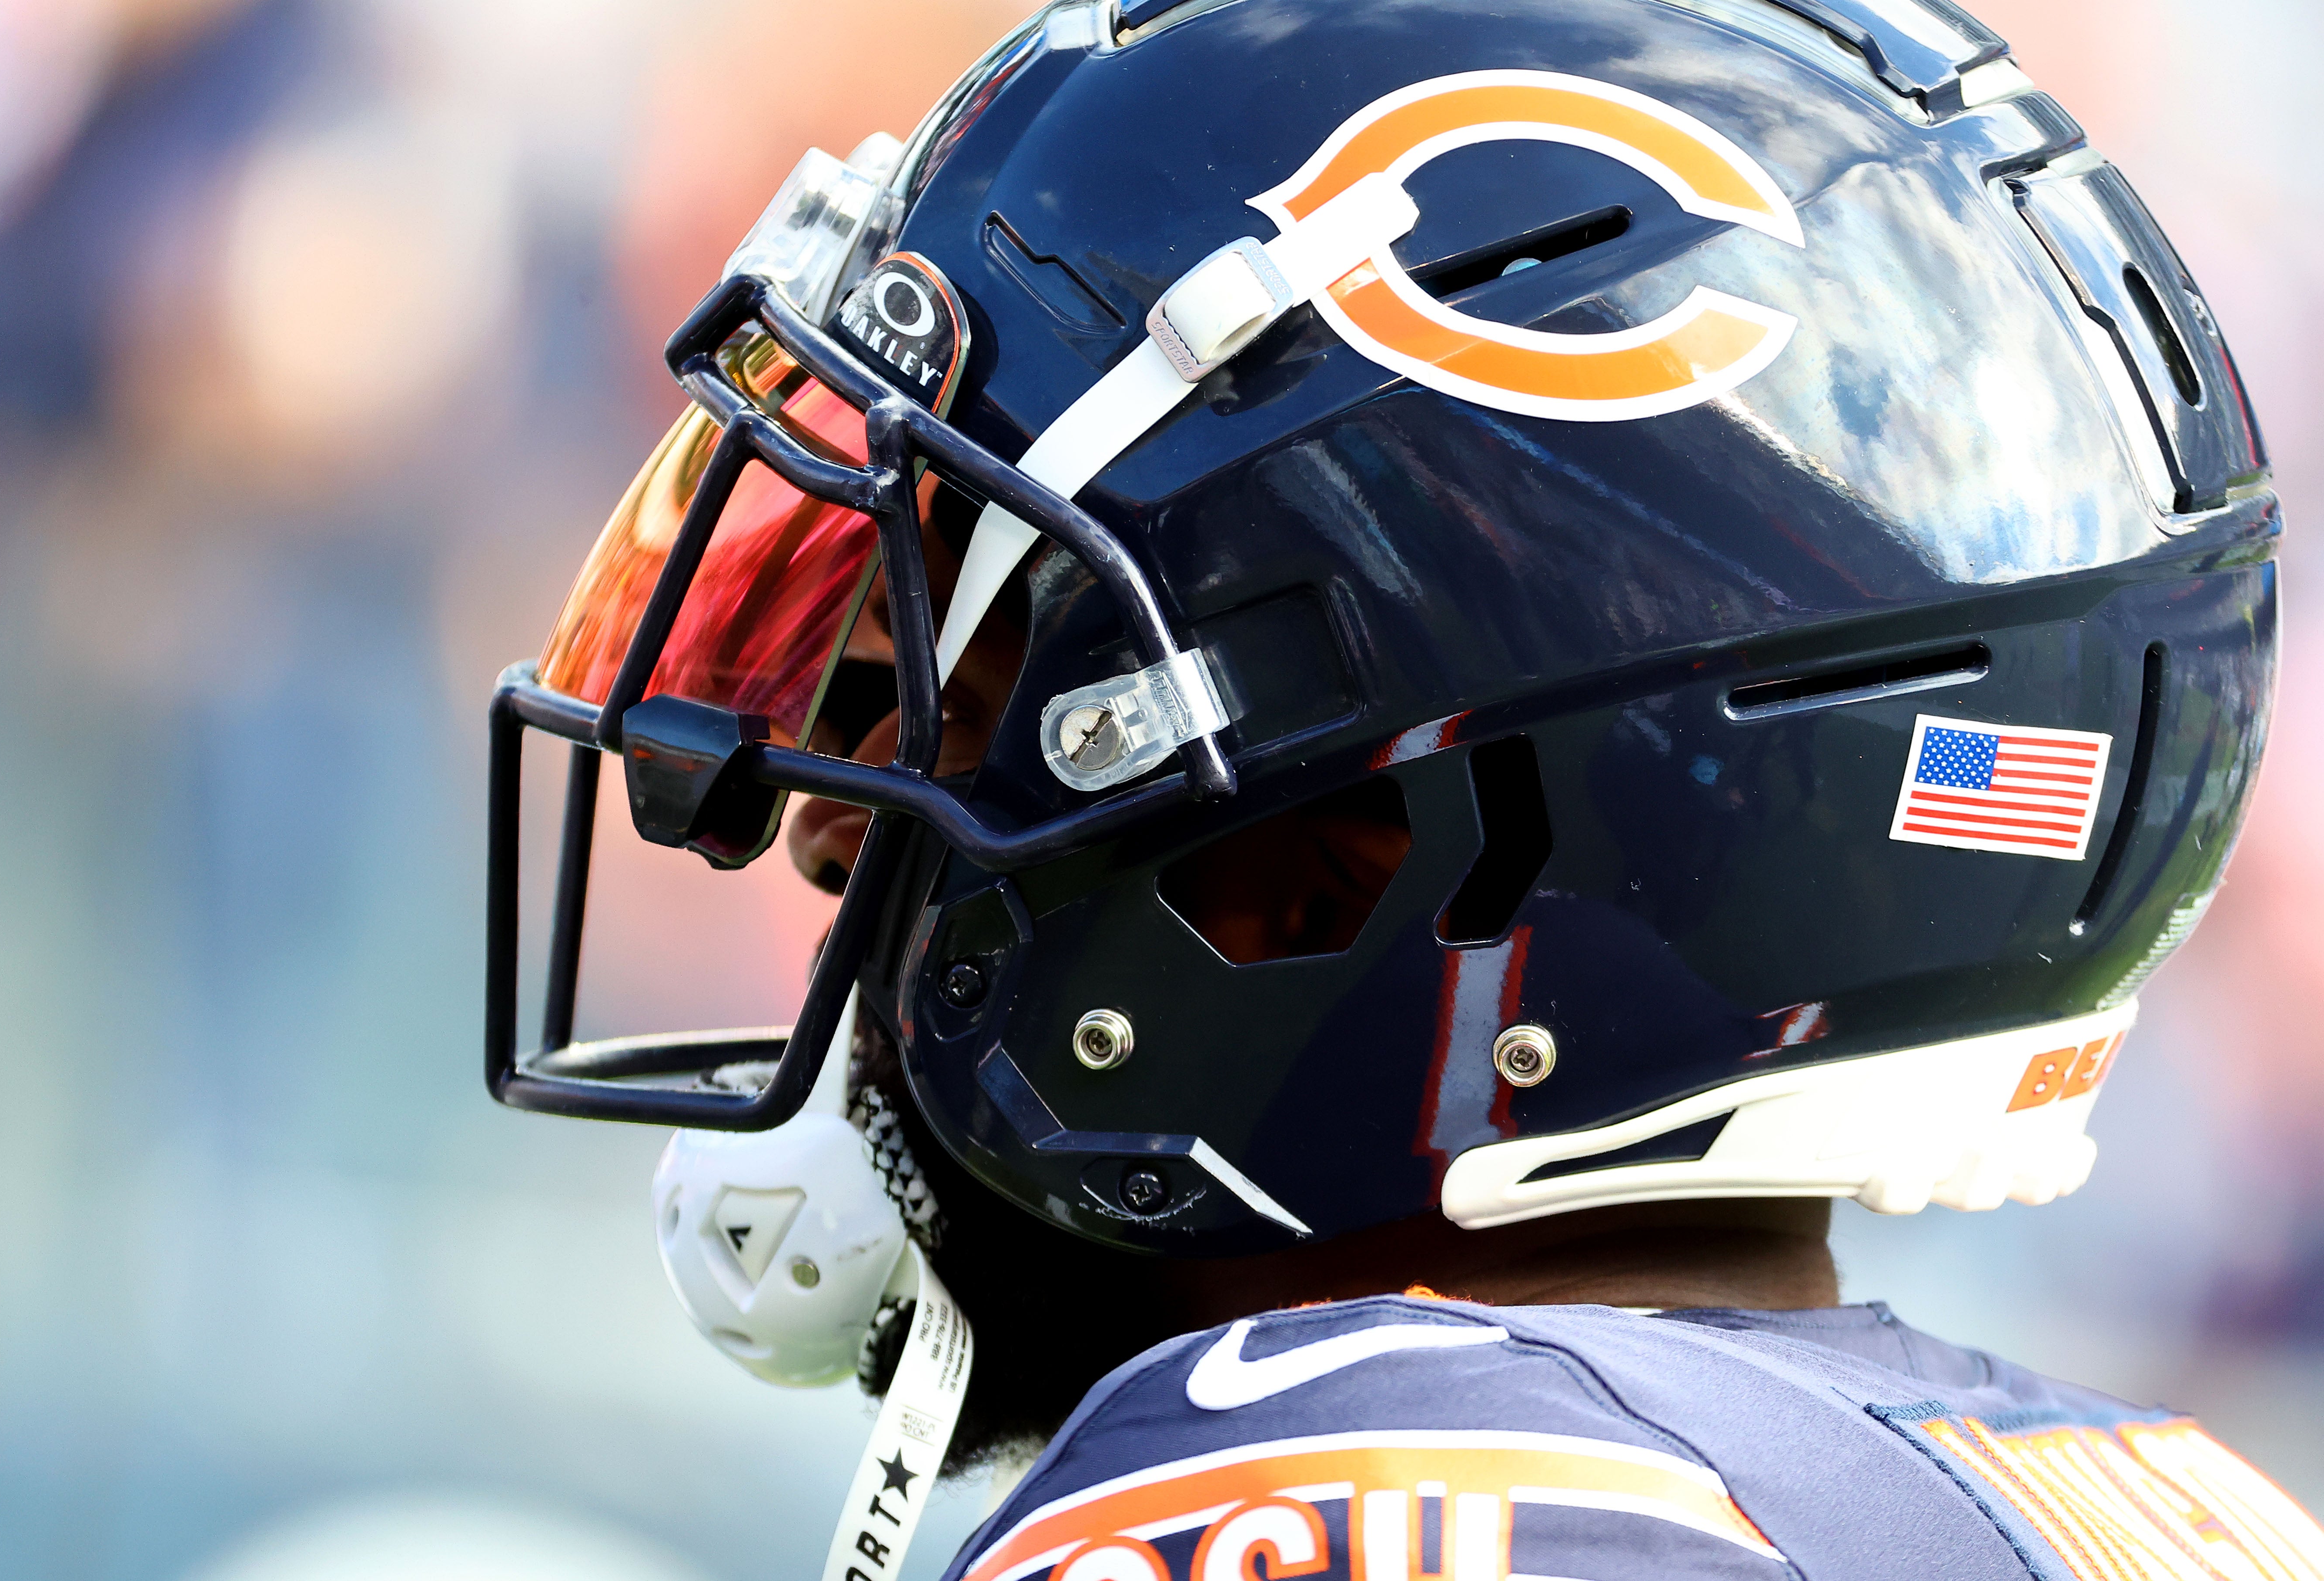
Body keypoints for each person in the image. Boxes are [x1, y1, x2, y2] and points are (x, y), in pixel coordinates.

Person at [483, 0, 2315, 1575]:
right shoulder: (2175, 1503)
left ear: (1332, 847)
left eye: (945, 697)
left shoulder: (1343, 1499)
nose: (812, 823)